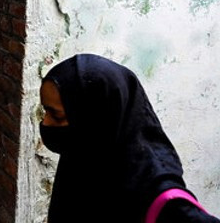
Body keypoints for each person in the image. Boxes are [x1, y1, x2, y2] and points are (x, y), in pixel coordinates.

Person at [39, 54, 219, 223]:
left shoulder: (161, 198)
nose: (45, 122)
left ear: (95, 116)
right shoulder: (86, 154)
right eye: (45, 111)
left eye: (57, 115)